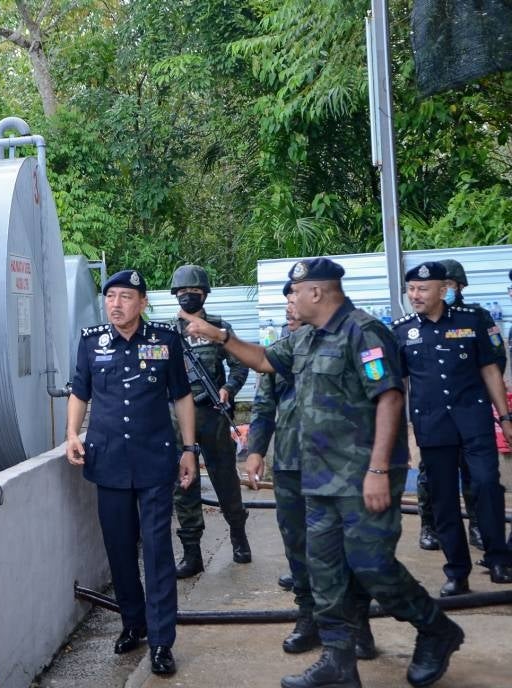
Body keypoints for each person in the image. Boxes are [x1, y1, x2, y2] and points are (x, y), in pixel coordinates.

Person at [182, 258, 463, 688]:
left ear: (316, 292)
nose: (290, 300)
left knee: (371, 566)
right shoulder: (305, 337)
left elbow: (389, 398)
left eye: (296, 292)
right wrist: (219, 336)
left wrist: (378, 468)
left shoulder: (364, 332)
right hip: (319, 478)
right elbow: (263, 361)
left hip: (362, 476)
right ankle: (338, 660)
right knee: (324, 569)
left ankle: (436, 629)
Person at [65, 269, 198, 677]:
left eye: (125, 297)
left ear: (142, 303)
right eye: (110, 297)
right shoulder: (91, 342)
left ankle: (161, 642)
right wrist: (71, 434)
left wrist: (189, 449)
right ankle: (133, 624)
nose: (116, 304)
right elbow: (80, 391)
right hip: (108, 462)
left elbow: (182, 396)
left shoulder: (165, 340)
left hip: (155, 461)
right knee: (120, 550)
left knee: (157, 552)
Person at [245, 282, 375, 660]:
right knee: (298, 545)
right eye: (287, 301)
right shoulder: (278, 351)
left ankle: (358, 623)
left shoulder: (348, 341)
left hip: (338, 465)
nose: (290, 307)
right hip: (290, 463)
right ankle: (309, 618)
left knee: (350, 546)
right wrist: (256, 451)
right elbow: (263, 405)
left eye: (295, 300)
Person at [393, 261, 512, 596]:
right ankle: (457, 571)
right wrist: (401, 435)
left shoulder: (470, 321)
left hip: (474, 420)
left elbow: (490, 371)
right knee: (443, 499)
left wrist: (505, 418)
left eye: (422, 289)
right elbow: (398, 385)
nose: (415, 295)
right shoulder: (402, 331)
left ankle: (499, 559)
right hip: (432, 427)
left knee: (487, 485)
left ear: (443, 290)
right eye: (411, 289)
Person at [414, 258, 506, 551]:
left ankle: (479, 525)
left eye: (450, 283)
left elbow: (495, 359)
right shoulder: (415, 324)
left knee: (478, 476)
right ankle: (429, 526)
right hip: (436, 416)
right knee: (431, 477)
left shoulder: (477, 318)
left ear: (458, 287)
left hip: (470, 408)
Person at [168, 264, 251, 578]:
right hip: (178, 418)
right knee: (184, 485)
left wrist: (229, 388)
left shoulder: (218, 328)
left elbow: (240, 365)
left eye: (195, 291)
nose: (188, 296)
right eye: (183, 291)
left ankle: (239, 536)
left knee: (225, 479)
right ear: (175, 294)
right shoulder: (167, 333)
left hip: (213, 414)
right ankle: (192, 553)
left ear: (205, 294)